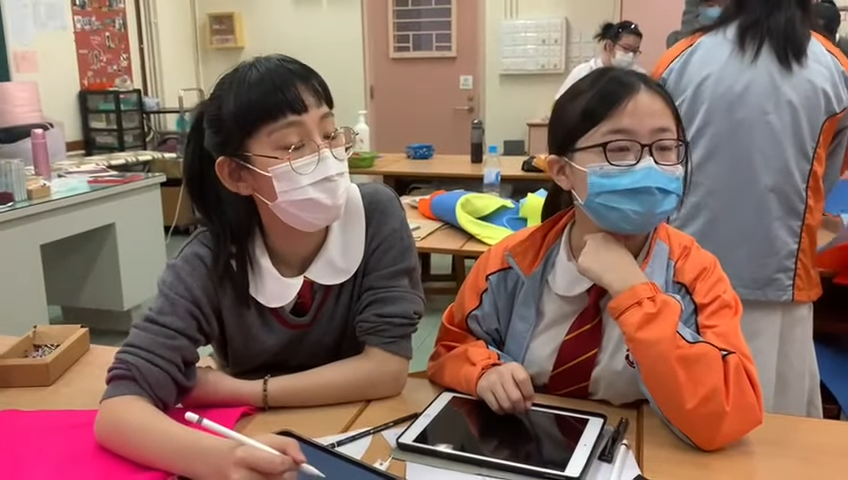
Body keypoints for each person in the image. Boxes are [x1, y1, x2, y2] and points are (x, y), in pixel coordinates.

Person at [94, 54, 425, 479]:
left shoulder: (375, 214)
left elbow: (386, 370)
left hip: (362, 438)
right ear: (238, 174)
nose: (325, 157)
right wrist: (224, 461)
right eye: (294, 146)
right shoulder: (210, 260)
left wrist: (240, 389)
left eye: (328, 133)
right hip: (258, 440)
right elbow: (119, 409)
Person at [428, 67, 763, 451]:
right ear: (562, 172)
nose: (648, 166)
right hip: (524, 446)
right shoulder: (511, 263)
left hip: (642, 452)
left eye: (665, 147)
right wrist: (484, 371)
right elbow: (451, 347)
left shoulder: (696, 274)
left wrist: (634, 293)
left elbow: (728, 414)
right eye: (618, 149)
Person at [653, 0, 848, 418]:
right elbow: (826, 179)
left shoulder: (681, 60)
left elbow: (658, 165)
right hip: (781, 274)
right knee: (774, 412)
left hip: (686, 271)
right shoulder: (833, 68)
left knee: (685, 406)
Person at [554, 21, 644, 100]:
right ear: (609, 46)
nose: (631, 55)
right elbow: (560, 106)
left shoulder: (639, 77)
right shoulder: (582, 73)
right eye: (626, 48)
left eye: (635, 51)